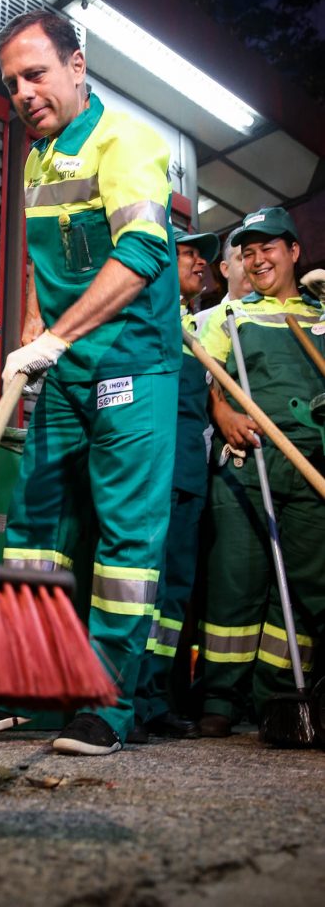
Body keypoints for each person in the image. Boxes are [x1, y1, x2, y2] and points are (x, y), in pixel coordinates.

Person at [0, 10, 181, 756]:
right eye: (11, 84)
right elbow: (43, 260)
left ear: (77, 64)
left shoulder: (126, 143)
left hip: (130, 369)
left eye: (36, 74)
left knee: (123, 542)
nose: (24, 93)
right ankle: (30, 692)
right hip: (63, 369)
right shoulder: (36, 158)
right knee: (33, 535)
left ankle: (106, 703)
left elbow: (144, 252)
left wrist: (58, 337)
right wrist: (32, 329)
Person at [198, 206, 325, 737]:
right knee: (235, 577)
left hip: (311, 459)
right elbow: (212, 380)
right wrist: (224, 413)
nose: (256, 260)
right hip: (249, 461)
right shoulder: (232, 315)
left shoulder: (322, 314)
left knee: (303, 583)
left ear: (294, 251)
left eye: (267, 248)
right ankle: (220, 698)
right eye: (247, 253)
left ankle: (278, 694)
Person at [131, 226, 220, 740]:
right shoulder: (149, 321)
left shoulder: (202, 330)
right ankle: (129, 696)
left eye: (202, 258)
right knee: (145, 585)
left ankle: (155, 695)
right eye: (187, 254)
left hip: (188, 472)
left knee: (175, 594)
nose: (199, 263)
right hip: (152, 469)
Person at [195, 227, 253, 329]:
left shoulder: (280, 315)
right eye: (244, 256)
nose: (251, 264)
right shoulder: (200, 323)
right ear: (225, 269)